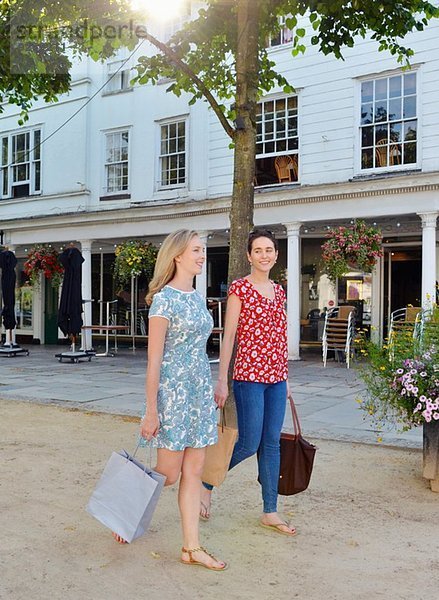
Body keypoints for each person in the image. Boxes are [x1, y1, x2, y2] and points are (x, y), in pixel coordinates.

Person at [113, 229, 227, 571]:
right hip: (173, 395)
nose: (202, 255)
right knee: (169, 473)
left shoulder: (197, 296)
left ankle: (191, 548)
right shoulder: (164, 300)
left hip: (199, 392)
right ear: (177, 255)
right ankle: (125, 509)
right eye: (196, 250)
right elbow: (154, 360)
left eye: (203, 250)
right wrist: (151, 410)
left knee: (194, 472)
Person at [200, 229, 296, 536]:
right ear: (249, 256)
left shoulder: (279, 291)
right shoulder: (239, 289)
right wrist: (222, 381)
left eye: (269, 250)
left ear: (276, 255)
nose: (264, 255)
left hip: (277, 379)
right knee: (248, 442)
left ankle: (270, 511)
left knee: (271, 444)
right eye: (258, 250)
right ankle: (204, 482)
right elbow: (229, 337)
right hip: (248, 378)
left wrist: (286, 378)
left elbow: (280, 337)